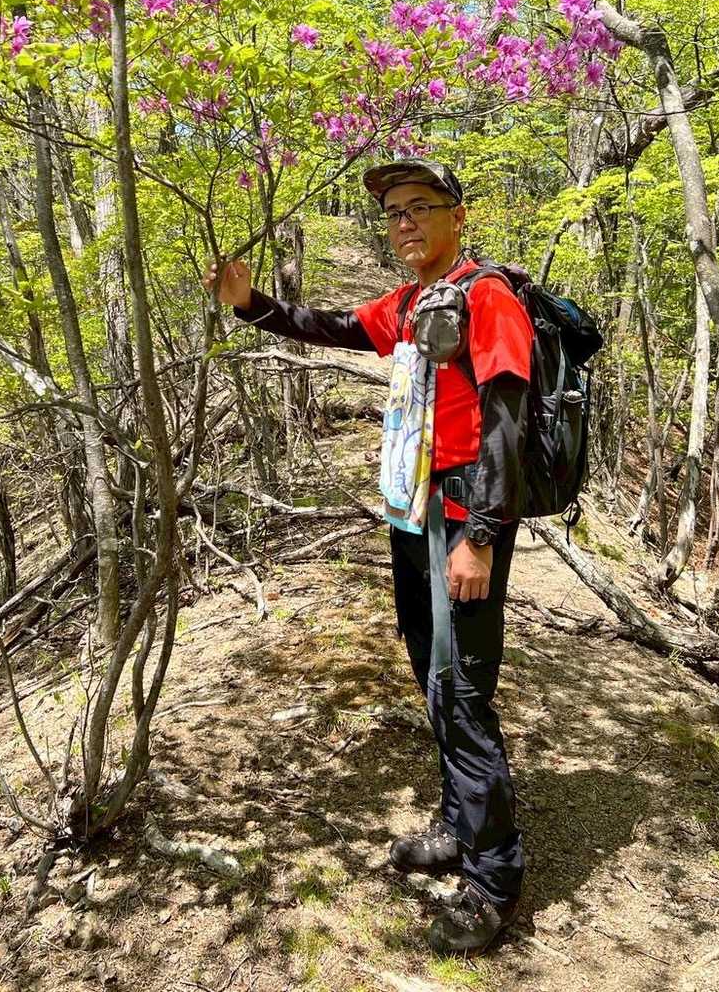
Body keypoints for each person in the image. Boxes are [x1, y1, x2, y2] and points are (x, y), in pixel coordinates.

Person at [205, 158, 532, 954]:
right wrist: (250, 304)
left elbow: (507, 420)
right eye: (393, 212)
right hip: (414, 506)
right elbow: (337, 328)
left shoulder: (487, 295)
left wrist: (480, 537)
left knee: (460, 688)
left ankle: (493, 882)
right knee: (430, 670)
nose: (404, 221)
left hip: (463, 509)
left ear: (457, 214)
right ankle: (458, 824)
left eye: (420, 206)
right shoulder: (411, 300)